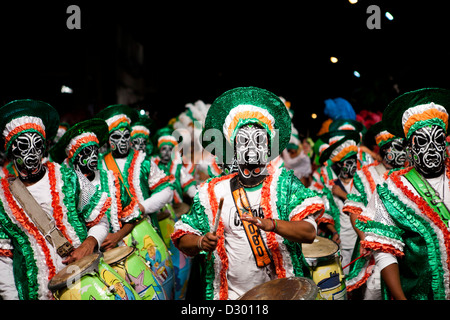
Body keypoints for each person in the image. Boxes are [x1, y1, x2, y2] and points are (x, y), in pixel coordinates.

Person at [171, 86, 324, 300]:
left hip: (281, 293)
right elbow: (182, 237)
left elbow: (309, 233)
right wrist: (200, 243)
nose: (251, 149)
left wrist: (272, 224)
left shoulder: (284, 184)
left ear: (268, 147)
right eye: (243, 141)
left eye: (259, 141)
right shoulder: (212, 191)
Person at [0, 99, 110, 300]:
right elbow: (3, 258)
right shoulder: (2, 198)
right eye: (23, 146)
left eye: (37, 144)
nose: (31, 153)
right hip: (38, 293)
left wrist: (89, 243)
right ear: (10, 151)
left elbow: (100, 219)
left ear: (45, 146)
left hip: (85, 282)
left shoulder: (70, 177)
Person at [357, 88, 450, 300]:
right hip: (420, 292)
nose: (432, 149)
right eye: (422, 142)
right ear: (409, 148)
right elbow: (385, 252)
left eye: (438, 140)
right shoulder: (391, 189)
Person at [96, 104, 176, 298]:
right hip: (113, 241)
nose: (123, 142)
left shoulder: (143, 161)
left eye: (126, 136)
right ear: (108, 139)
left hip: (145, 232)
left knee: (160, 286)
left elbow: (167, 191)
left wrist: (142, 207)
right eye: (116, 137)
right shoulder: (99, 164)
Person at [49, 118, 142, 251]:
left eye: (95, 151)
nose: (93, 156)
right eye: (87, 152)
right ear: (75, 156)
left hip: (116, 254)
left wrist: (116, 236)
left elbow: (133, 217)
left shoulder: (111, 180)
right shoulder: (64, 186)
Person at [343, 120, 406, 299]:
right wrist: (365, 240)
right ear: (385, 150)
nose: (403, 152)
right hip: (372, 251)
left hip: (405, 252)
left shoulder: (409, 174)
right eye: (398, 147)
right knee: (373, 292)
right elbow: (354, 211)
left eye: (404, 147)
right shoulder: (364, 175)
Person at [313, 130, 361, 272]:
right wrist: (334, 232)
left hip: (360, 240)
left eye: (354, 160)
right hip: (342, 241)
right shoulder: (331, 186)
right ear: (339, 165)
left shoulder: (362, 182)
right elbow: (325, 212)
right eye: (349, 162)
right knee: (344, 278)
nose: (352, 165)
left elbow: (366, 205)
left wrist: (343, 195)